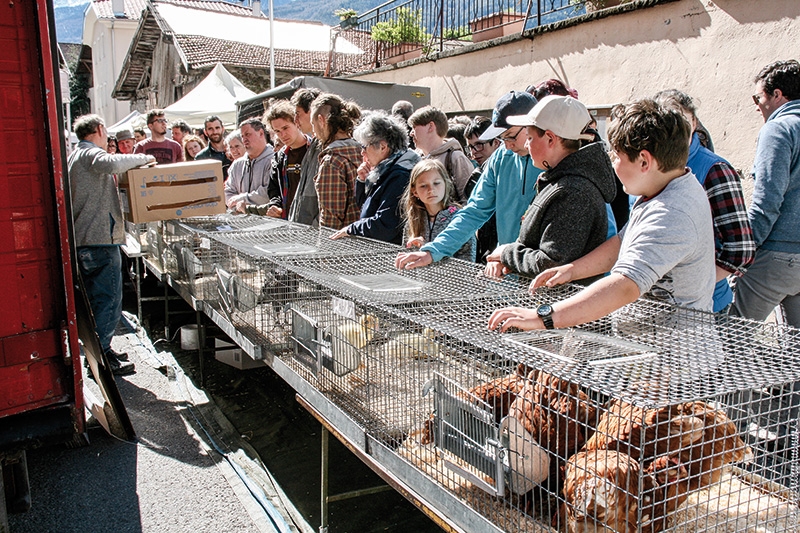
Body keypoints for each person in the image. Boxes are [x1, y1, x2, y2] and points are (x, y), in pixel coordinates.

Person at [488, 99, 715, 333]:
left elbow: (625, 285)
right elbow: (621, 243)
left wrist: (543, 317)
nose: (612, 163)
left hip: (671, 358)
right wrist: (573, 269)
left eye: (617, 156)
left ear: (644, 161)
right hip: (645, 346)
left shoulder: (670, 214)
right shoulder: (660, 189)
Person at [395, 91, 542, 271]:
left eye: (511, 135)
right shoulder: (501, 158)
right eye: (502, 138)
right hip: (508, 268)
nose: (507, 144)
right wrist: (432, 251)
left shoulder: (553, 160)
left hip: (542, 268)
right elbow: (474, 211)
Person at [482, 95, 617, 281]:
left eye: (529, 137)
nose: (527, 144)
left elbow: (551, 263)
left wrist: (507, 254)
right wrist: (508, 259)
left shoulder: (573, 192)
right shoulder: (562, 181)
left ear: (550, 139)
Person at [68, 114, 155, 375]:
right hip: (99, 240)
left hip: (88, 239)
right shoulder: (89, 154)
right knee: (108, 299)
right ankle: (102, 356)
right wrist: (145, 157)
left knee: (99, 299)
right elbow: (109, 163)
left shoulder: (76, 155)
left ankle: (101, 349)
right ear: (99, 129)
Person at [654, 89, 755, 312]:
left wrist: (697, 285)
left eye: (683, 121)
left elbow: (740, 250)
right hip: (655, 306)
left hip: (704, 307)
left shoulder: (715, 170)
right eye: (669, 122)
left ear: (695, 122)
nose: (678, 130)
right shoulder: (649, 165)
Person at [730, 60, 800, 327]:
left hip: (775, 256)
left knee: (732, 339)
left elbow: (767, 201)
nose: (756, 104)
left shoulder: (779, 129)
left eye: (757, 97)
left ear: (777, 95)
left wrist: (743, 252)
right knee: (794, 355)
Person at [330, 111, 420, 244]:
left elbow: (385, 225)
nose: (362, 153)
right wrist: (361, 181)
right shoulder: (385, 169)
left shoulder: (400, 175)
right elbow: (367, 206)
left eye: (364, 147)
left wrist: (351, 229)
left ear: (383, 147)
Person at [246, 100, 312, 219]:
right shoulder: (279, 157)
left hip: (312, 223)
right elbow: (274, 190)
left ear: (296, 122)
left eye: (285, 128)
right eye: (277, 131)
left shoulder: (314, 151)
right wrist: (275, 206)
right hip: (288, 223)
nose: (283, 135)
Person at [401, 159, 475, 261]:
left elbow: (467, 264)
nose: (431, 190)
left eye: (436, 183)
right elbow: (407, 262)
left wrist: (429, 253)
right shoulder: (413, 221)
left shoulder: (459, 220)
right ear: (415, 191)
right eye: (423, 186)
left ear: (446, 184)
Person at [310, 93, 362, 230]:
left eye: (313, 124)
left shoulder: (332, 161)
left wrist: (324, 248)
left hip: (345, 244)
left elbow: (331, 218)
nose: (313, 132)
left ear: (321, 120)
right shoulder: (365, 152)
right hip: (370, 239)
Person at [408, 106, 474, 202]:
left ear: (431, 126)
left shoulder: (455, 157)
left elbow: (469, 199)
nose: (411, 133)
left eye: (414, 127)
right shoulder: (415, 158)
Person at [463, 116, 502, 262]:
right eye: (470, 147)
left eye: (479, 145)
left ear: (496, 143)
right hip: (484, 247)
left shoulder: (509, 172)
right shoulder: (476, 175)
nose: (474, 152)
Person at [288, 88, 323, 226]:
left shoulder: (327, 146)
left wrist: (314, 226)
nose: (295, 120)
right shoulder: (314, 143)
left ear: (312, 111)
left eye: (298, 114)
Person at [225, 117, 275, 211]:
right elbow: (228, 191)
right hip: (239, 221)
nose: (244, 139)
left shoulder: (273, 160)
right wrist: (236, 206)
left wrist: (242, 200)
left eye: (247, 134)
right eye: (242, 136)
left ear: (261, 133)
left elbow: (267, 193)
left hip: (265, 221)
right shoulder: (237, 165)